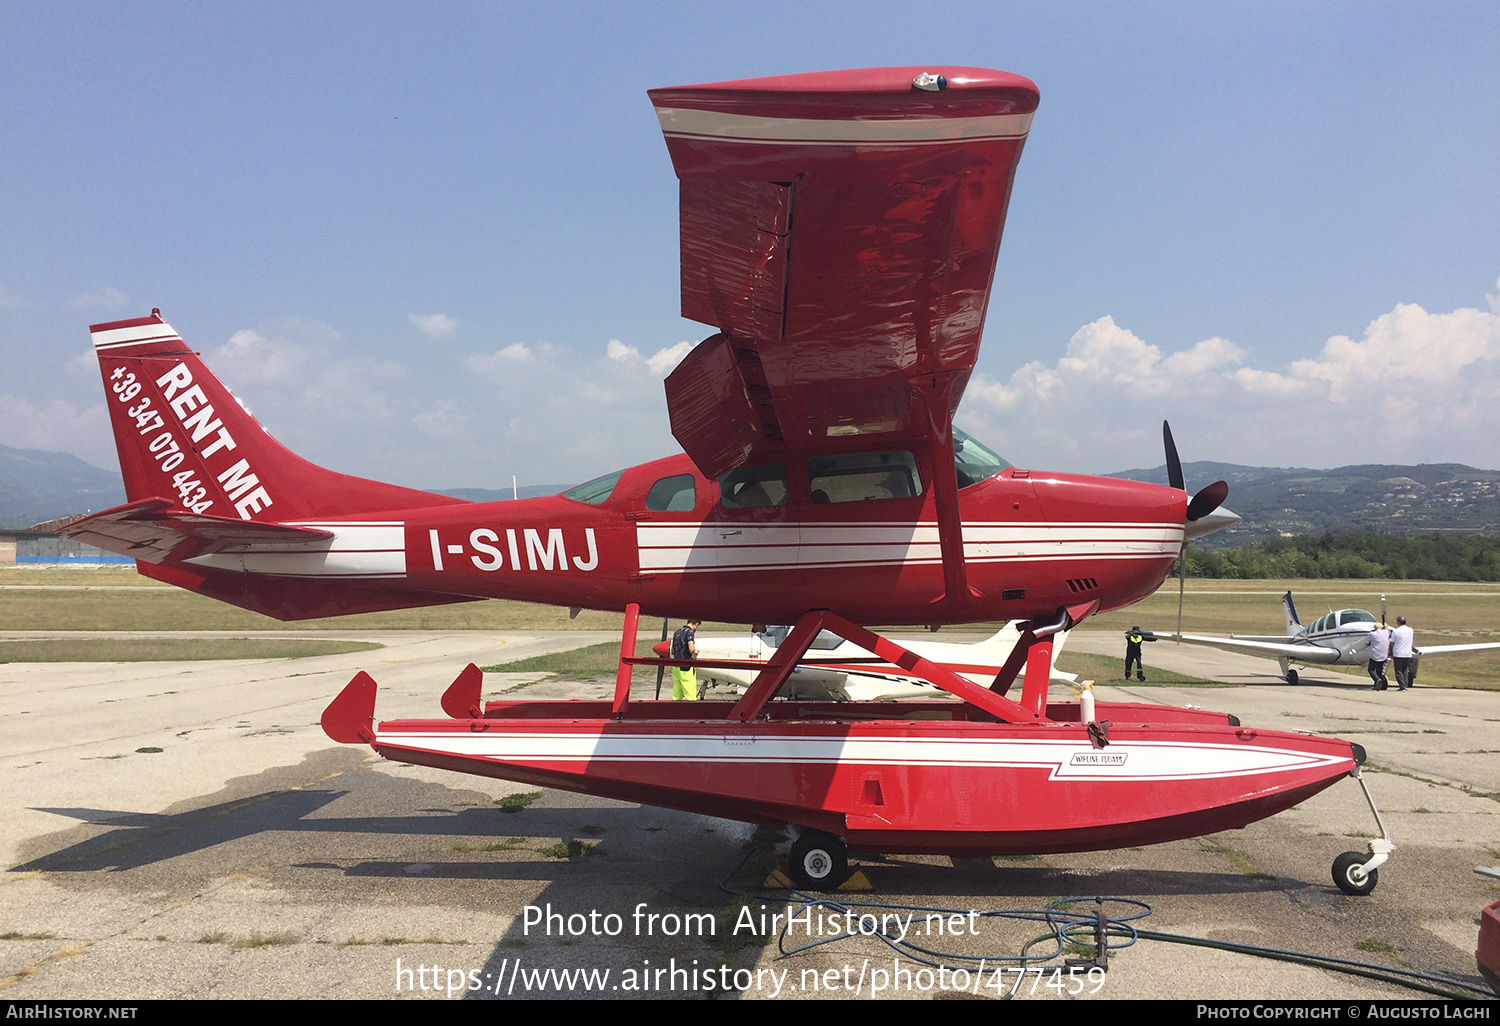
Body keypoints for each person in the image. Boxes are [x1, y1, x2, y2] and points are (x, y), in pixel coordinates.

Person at [670, 619, 702, 700]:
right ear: (696, 623)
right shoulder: (689, 632)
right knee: (689, 692)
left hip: (676, 666)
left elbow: (672, 651)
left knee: (677, 693)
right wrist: (695, 651)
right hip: (686, 666)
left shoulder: (676, 632)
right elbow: (691, 649)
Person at [1390, 616, 1416, 691]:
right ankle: (1405, 685)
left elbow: (1392, 642)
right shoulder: (1410, 630)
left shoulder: (1396, 631)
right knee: (1405, 670)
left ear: (1398, 622)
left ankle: (1402, 686)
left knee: (1398, 671)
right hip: (1407, 653)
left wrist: (1391, 651)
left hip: (1398, 653)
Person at [1367, 620, 1392, 691]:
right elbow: (1387, 630)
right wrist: (1385, 627)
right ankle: (1381, 684)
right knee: (1379, 671)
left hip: (1375, 655)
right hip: (1384, 655)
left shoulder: (1372, 634)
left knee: (1371, 669)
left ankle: (1377, 679)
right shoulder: (1386, 632)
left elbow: (1368, 640)